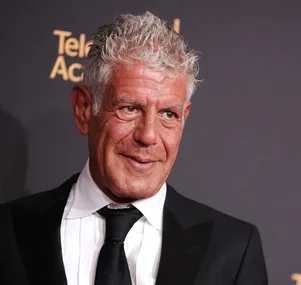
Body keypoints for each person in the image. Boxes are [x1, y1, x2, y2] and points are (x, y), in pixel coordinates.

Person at [0, 11, 268, 285]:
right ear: (83, 109)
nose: (148, 135)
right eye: (129, 108)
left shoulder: (232, 251)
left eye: (168, 114)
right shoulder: (7, 232)